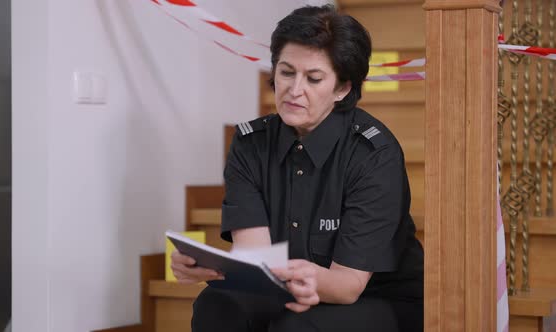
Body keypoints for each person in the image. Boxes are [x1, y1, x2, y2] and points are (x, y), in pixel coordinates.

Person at [170, 4, 424, 331]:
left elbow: (348, 286)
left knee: (297, 327)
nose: (294, 90)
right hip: (284, 284)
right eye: (287, 72)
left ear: (343, 88)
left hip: (375, 298)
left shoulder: (374, 153)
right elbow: (255, 254)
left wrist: (297, 274)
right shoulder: (250, 143)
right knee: (217, 303)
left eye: (314, 78)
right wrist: (210, 266)